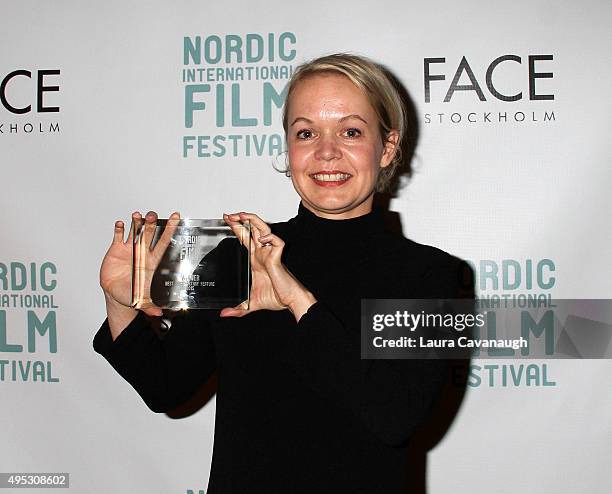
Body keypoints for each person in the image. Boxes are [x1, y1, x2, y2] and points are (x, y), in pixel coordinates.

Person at [94, 53, 468, 493]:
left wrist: (298, 301)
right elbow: (167, 389)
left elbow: (394, 418)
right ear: (288, 148)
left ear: (386, 148)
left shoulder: (434, 276)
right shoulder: (236, 252)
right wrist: (120, 304)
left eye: (351, 131)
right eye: (306, 132)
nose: (327, 152)